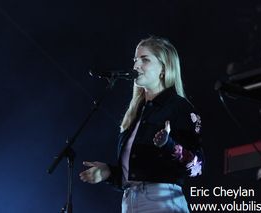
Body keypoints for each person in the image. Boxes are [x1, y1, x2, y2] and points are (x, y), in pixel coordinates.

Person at [79, 36, 203, 213]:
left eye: (145, 59)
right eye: (135, 60)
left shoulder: (179, 108)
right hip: (129, 201)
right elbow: (137, 170)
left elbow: (197, 167)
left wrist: (169, 145)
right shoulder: (136, 112)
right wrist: (108, 173)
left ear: (164, 67)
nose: (136, 65)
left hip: (162, 201)